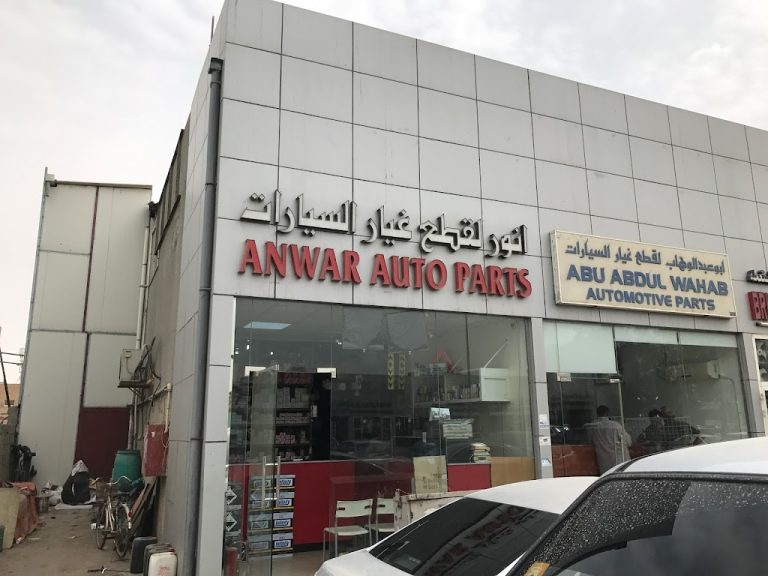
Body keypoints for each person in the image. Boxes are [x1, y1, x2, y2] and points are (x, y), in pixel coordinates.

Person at [586, 405, 632, 474]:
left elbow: (590, 442)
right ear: (608, 413)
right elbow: (628, 442)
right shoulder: (615, 426)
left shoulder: (592, 427)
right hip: (618, 462)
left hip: (603, 463)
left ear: (597, 414)